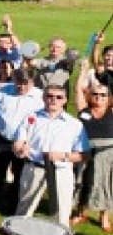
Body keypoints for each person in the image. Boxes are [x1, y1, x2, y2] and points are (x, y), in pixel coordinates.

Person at [14, 84, 89, 227]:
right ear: (43, 98)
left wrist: (63, 156)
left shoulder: (74, 124)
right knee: (23, 212)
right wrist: (20, 149)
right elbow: (18, 142)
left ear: (65, 100)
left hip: (61, 171)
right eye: (49, 96)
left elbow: (84, 155)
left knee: (61, 215)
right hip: (34, 168)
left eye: (58, 97)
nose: (53, 100)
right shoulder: (31, 118)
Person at [0, 67, 44, 213]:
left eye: (25, 84)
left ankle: (12, 204)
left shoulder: (40, 97)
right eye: (18, 83)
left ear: (32, 82)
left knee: (19, 174)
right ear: (14, 79)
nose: (21, 87)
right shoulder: (3, 91)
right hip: (1, 137)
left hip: (24, 143)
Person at [72, 73, 113, 232]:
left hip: (108, 154)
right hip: (86, 153)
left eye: (103, 95)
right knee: (83, 181)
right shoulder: (83, 110)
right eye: (95, 94)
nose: (99, 97)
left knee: (107, 184)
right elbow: (77, 89)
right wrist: (82, 71)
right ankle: (80, 212)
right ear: (89, 95)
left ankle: (104, 217)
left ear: (108, 97)